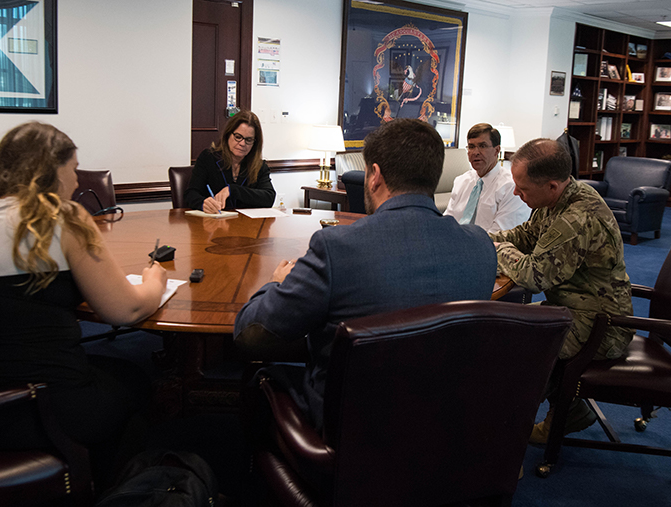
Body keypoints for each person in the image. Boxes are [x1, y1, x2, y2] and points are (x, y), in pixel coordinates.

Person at [0, 122, 167, 489]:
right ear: (51, 170)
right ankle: (104, 487)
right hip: (38, 407)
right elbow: (126, 312)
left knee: (104, 368)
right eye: (73, 169)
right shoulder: (62, 218)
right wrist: (155, 281)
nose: (75, 181)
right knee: (137, 377)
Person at [234, 118, 497, 430]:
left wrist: (273, 283)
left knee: (262, 377)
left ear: (374, 176)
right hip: (444, 423)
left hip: (353, 429)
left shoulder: (337, 247)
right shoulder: (482, 247)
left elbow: (251, 334)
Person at [489, 138, 634, 443]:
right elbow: (525, 236)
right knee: (501, 324)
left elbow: (534, 275)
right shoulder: (559, 199)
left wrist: (498, 249)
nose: (516, 192)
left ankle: (504, 430)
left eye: (523, 188)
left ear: (552, 186)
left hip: (602, 325)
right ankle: (569, 410)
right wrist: (480, 237)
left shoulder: (576, 218)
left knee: (513, 344)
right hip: (575, 309)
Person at [444, 123, 530, 232]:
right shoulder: (461, 181)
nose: (475, 152)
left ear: (497, 150)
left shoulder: (511, 187)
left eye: (482, 146)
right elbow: (448, 219)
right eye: (471, 147)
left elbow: (502, 234)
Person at [184, 110, 276, 213]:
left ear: (255, 143)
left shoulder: (259, 166)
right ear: (228, 135)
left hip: (247, 225)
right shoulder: (209, 158)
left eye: (248, 140)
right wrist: (203, 203)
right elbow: (191, 194)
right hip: (213, 224)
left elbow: (269, 197)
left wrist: (233, 190)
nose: (242, 143)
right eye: (238, 137)